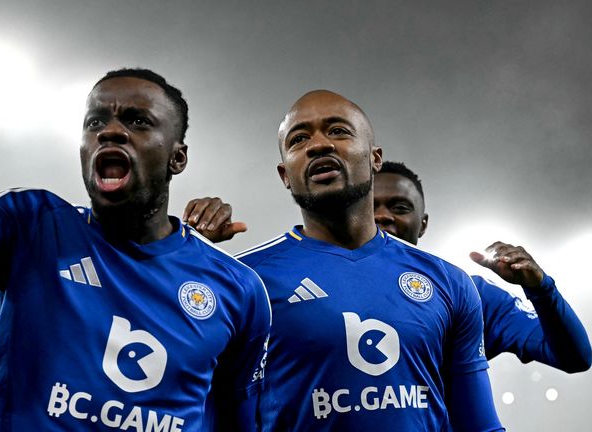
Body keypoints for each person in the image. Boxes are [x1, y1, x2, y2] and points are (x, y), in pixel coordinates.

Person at [0, 6, 270, 431]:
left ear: (178, 157)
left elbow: (236, 418)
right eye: (96, 120)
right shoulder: (31, 226)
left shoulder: (236, 289)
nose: (110, 131)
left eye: (137, 121)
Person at [187, 90, 504, 430]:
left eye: (338, 131)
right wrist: (183, 264)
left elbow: (480, 425)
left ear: (374, 157)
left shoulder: (449, 283)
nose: (319, 144)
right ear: (284, 175)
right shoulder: (243, 283)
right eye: (299, 139)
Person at [373, 161, 592, 372]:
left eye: (400, 207)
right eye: (368, 207)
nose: (381, 215)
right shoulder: (337, 285)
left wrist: (542, 290)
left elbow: (575, 358)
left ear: (423, 224)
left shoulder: (468, 294)